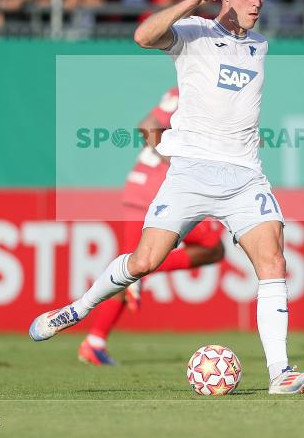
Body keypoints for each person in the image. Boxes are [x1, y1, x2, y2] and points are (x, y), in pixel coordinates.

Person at [30, 0, 304, 395]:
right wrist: (190, 0)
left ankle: (280, 372)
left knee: (273, 264)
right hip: (189, 173)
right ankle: (79, 308)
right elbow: (143, 36)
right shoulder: (195, 33)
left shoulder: (259, 44)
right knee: (145, 262)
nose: (257, 1)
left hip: (246, 176)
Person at [78, 87, 226, 365]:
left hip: (141, 187)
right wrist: (178, 163)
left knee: (130, 266)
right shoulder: (195, 88)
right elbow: (147, 125)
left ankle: (95, 341)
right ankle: (138, 278)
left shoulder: (195, 85)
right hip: (158, 188)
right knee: (210, 248)